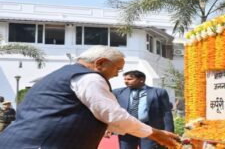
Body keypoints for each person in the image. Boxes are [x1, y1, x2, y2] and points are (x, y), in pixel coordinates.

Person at [0, 46, 179, 149]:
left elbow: (106, 119)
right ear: (100, 63)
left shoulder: (64, 73)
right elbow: (113, 115)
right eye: (117, 69)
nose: (117, 75)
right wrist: (155, 134)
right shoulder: (89, 78)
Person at [113, 70, 174, 149]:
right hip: (127, 129)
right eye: (125, 79)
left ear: (141, 79)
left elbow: (166, 112)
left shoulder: (158, 92)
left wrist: (169, 131)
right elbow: (112, 110)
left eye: (129, 79)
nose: (126, 81)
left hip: (149, 129)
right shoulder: (118, 92)